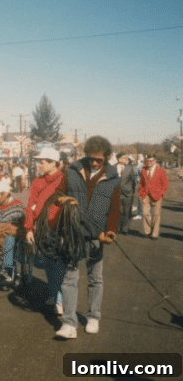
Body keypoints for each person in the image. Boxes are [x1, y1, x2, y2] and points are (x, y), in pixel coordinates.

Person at [56, 136, 121, 339]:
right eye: (91, 158)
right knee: (69, 279)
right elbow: (57, 193)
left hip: (97, 236)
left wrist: (110, 231)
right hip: (73, 233)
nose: (94, 163)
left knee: (95, 279)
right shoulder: (72, 170)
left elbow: (115, 209)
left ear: (106, 158)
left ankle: (93, 317)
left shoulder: (113, 178)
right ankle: (69, 324)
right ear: (86, 155)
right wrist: (63, 199)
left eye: (99, 160)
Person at [25, 148, 66, 315]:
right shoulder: (37, 182)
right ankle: (53, 292)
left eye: (42, 162)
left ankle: (60, 299)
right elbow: (30, 205)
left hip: (60, 228)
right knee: (48, 263)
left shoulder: (65, 180)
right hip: (42, 229)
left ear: (52, 163)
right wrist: (29, 228)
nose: (39, 164)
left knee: (60, 264)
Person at [138, 153, 169, 240]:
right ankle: (147, 231)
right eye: (148, 161)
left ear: (154, 161)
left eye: (151, 161)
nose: (149, 163)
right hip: (146, 195)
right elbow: (141, 183)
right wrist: (141, 193)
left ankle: (154, 233)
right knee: (145, 213)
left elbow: (165, 183)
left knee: (156, 214)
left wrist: (162, 193)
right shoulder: (143, 170)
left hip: (157, 195)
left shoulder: (160, 170)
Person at [115, 152, 136, 234]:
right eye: (124, 158)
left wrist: (131, 191)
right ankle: (118, 227)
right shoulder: (112, 168)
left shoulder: (129, 168)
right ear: (119, 159)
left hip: (127, 193)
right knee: (117, 211)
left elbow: (133, 181)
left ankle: (125, 229)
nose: (126, 159)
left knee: (127, 211)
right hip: (116, 193)